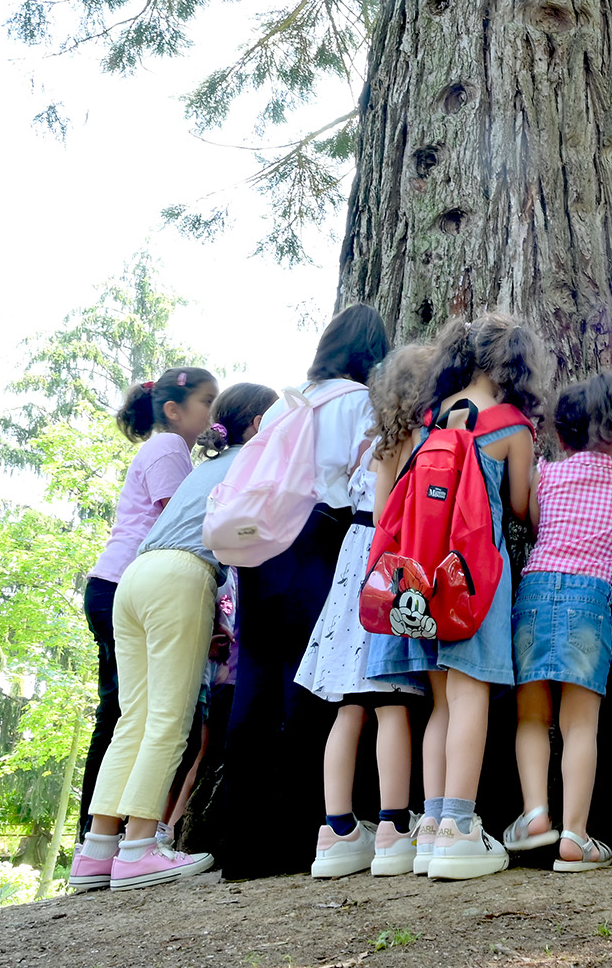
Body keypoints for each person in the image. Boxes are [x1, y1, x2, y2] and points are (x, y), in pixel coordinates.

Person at [71, 381, 275, 891]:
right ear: (258, 425)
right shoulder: (255, 461)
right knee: (169, 718)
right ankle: (140, 847)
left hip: (135, 576)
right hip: (183, 574)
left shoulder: (205, 464)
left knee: (133, 719)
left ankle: (98, 850)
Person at [366, 314, 547, 881]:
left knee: (442, 704)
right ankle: (460, 829)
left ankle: (432, 827)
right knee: (472, 697)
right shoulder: (511, 426)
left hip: (422, 577)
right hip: (474, 575)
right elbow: (521, 507)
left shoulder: (427, 419)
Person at [216, 305, 388, 880]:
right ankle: (299, 837)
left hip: (260, 548)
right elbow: (365, 477)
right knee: (309, 685)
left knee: (254, 686)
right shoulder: (358, 401)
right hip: (316, 539)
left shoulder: (286, 403)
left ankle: (240, 845)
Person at [299, 343, 437, 878]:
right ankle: (393, 827)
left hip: (350, 565)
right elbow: (386, 513)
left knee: (349, 706)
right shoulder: (412, 442)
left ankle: (335, 831)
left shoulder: (373, 442)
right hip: (384, 563)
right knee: (392, 701)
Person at [79, 365, 218, 842]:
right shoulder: (168, 446)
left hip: (116, 585)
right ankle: (123, 835)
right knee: (145, 714)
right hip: (131, 583)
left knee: (124, 713)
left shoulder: (167, 448)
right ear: (174, 410)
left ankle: (100, 837)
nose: (213, 411)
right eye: (207, 401)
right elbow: (178, 519)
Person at [504, 369, 612, 873]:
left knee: (531, 718)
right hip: (591, 598)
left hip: (535, 590)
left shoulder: (546, 474)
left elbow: (536, 524)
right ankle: (576, 835)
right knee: (580, 726)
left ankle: (536, 814)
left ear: (562, 434)